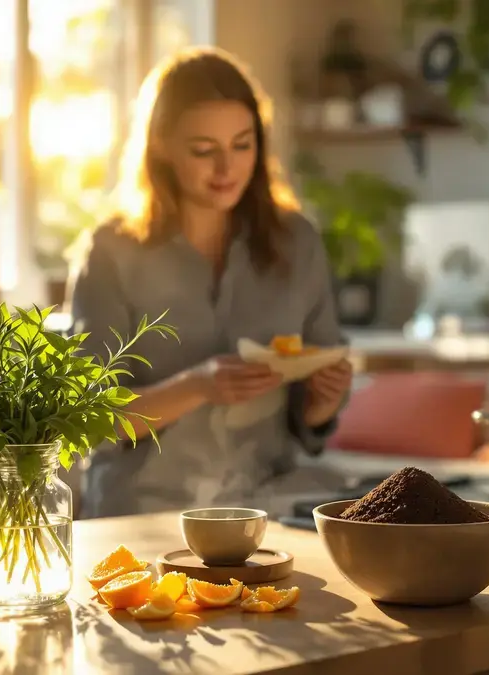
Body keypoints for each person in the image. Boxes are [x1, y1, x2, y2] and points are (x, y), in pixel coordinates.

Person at [66, 47, 354, 518]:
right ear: (160, 145)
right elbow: (92, 420)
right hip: (143, 513)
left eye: (242, 145)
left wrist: (324, 400)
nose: (227, 168)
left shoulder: (296, 242)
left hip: (267, 508)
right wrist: (198, 385)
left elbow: (311, 418)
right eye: (204, 150)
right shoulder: (111, 251)